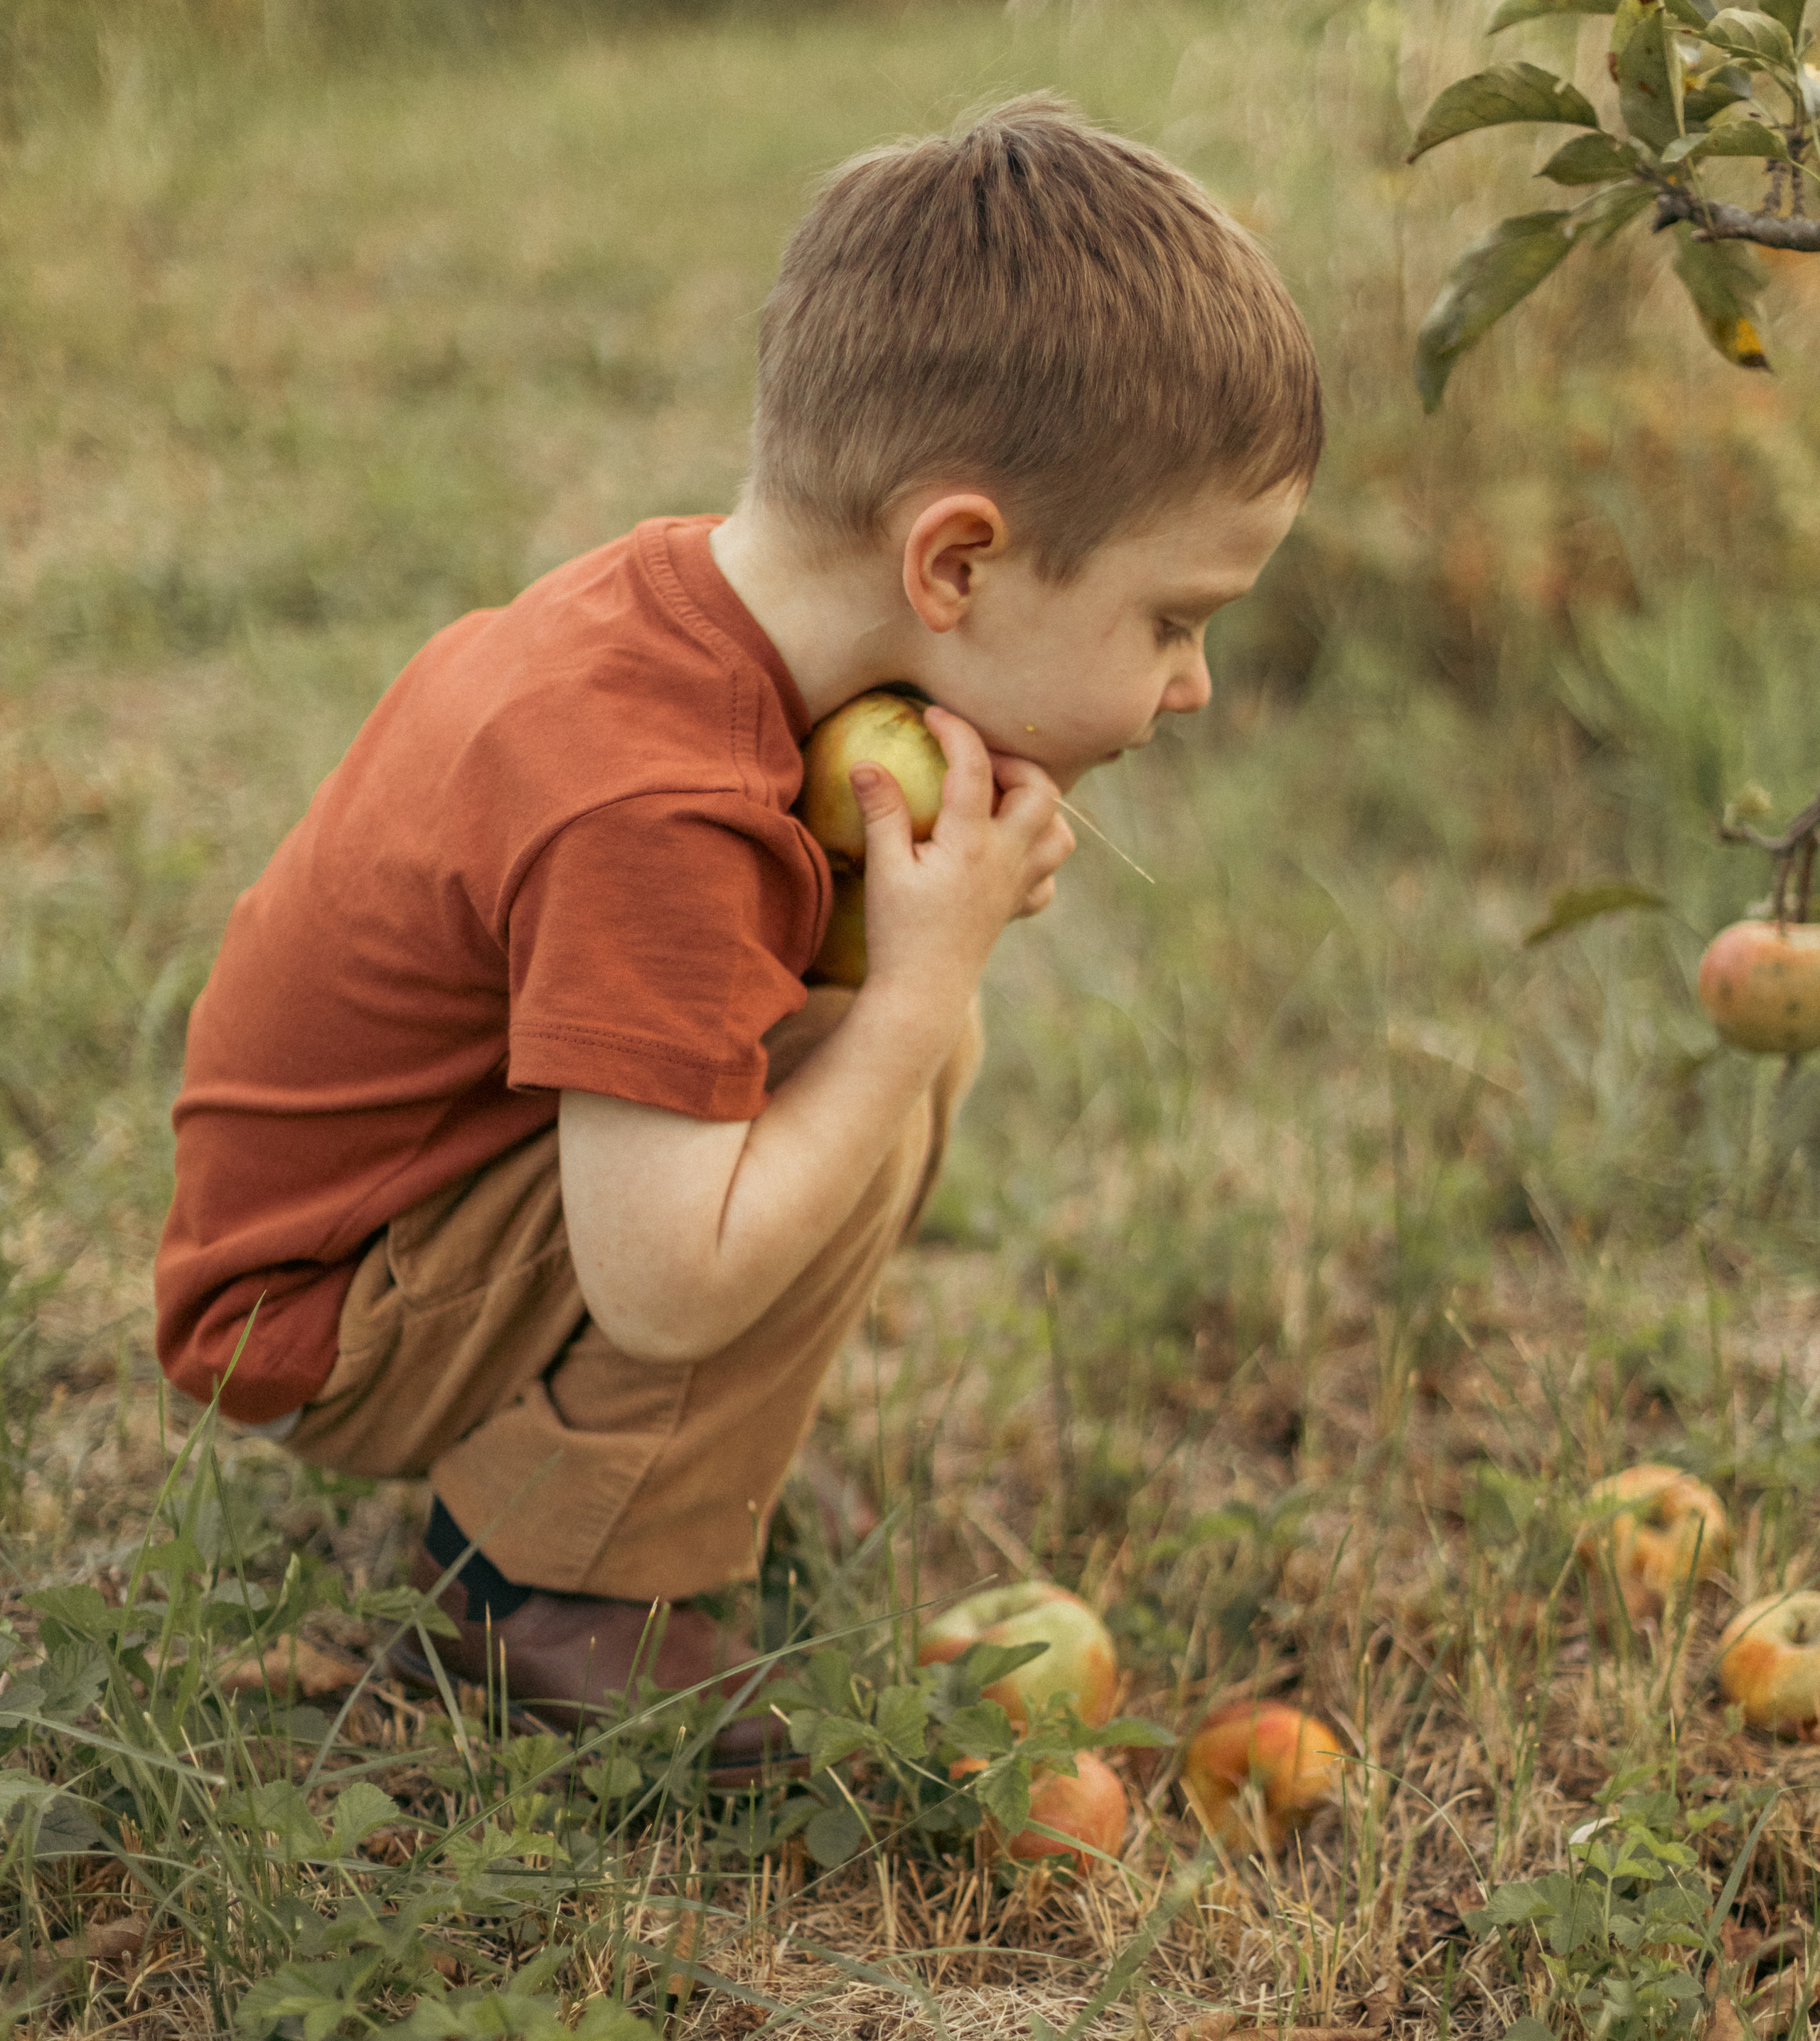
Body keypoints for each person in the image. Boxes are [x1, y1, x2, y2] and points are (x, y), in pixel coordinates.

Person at [152, 93, 1321, 1762]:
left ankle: (644, 1476)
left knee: (859, 1036)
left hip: (388, 1225)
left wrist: (893, 933)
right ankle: (540, 1587)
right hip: (319, 1319)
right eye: (1172, 620)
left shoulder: (692, 624)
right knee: (876, 1047)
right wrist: (916, 981)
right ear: (956, 561)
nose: (1189, 686)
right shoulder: (660, 803)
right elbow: (669, 1285)